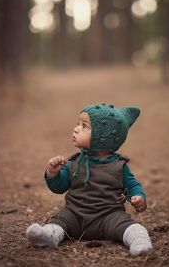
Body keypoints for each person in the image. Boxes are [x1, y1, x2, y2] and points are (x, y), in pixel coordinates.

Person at [26, 103, 153, 256]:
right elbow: (59, 187)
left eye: (84, 126)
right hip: (75, 215)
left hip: (109, 217)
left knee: (128, 226)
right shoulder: (73, 163)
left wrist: (139, 198)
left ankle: (139, 240)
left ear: (103, 137)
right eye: (78, 123)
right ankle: (48, 236)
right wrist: (53, 173)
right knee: (59, 220)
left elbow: (133, 186)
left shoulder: (119, 166)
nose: (76, 128)